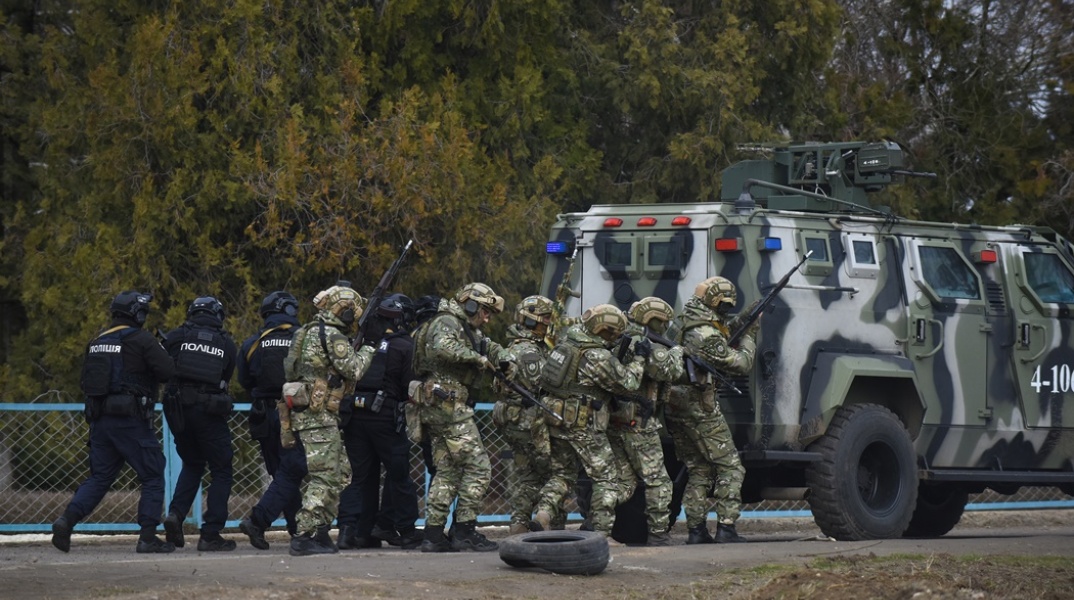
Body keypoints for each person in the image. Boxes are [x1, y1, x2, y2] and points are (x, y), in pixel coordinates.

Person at [51, 291, 176, 554]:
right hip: (130, 421)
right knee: (153, 474)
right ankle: (147, 537)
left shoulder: (97, 341)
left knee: (100, 477)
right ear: (138, 314)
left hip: (100, 421)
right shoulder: (142, 340)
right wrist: (164, 351)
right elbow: (167, 372)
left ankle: (66, 521)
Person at [411, 283, 512, 552]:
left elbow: (491, 347)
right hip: (448, 406)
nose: (487, 318)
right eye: (485, 311)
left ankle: (433, 534)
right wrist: (478, 359)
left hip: (444, 406)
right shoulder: (446, 321)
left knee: (448, 472)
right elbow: (442, 348)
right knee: (479, 468)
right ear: (470, 304)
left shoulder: (468, 329)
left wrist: (505, 360)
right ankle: (465, 531)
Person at [533, 304, 647, 540]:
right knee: (606, 478)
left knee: (562, 475)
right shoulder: (596, 355)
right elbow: (628, 383)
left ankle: (542, 514)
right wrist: (639, 358)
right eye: (614, 332)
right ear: (604, 329)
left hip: (555, 419)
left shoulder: (565, 346)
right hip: (584, 425)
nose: (615, 337)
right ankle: (601, 534)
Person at [284, 284, 376, 556]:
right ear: (346, 312)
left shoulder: (306, 331)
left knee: (341, 473)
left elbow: (291, 368)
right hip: (320, 416)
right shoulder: (332, 335)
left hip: (311, 414)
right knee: (325, 477)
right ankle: (303, 535)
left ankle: (321, 531)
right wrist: (369, 348)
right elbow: (355, 369)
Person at [665, 276, 758, 544]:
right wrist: (751, 335)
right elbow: (741, 364)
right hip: (699, 407)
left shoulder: (684, 322)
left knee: (699, 469)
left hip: (675, 406)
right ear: (719, 303)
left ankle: (696, 531)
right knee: (731, 468)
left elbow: (724, 333)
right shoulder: (707, 335)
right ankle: (727, 527)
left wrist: (744, 319)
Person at [337, 293, 422, 550]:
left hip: (354, 415)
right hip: (385, 416)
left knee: (361, 477)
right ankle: (406, 530)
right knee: (399, 475)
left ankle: (353, 532)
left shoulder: (362, 344)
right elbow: (410, 386)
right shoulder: (405, 346)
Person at [161, 296, 239, 552]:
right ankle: (211, 533)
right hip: (209, 412)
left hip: (178, 412)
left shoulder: (175, 336)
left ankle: (175, 514)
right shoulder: (226, 343)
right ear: (218, 315)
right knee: (221, 469)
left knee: (193, 464)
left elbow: (162, 367)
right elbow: (226, 376)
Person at [606, 297, 685, 546]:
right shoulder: (645, 345)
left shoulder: (615, 340)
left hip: (613, 421)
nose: (664, 327)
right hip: (639, 424)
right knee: (659, 481)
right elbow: (668, 371)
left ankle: (597, 526)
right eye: (662, 322)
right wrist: (677, 351)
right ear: (652, 320)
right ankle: (659, 534)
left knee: (623, 482)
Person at [236, 291, 305, 549]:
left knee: (282, 472)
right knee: (294, 469)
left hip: (263, 414)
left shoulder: (253, 342)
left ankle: (297, 528)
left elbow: (244, 380)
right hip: (293, 411)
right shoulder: (301, 338)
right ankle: (259, 520)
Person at [492, 295, 558, 535]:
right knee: (555, 472)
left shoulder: (511, 347)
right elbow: (543, 384)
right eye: (546, 319)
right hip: (529, 421)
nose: (549, 324)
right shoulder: (528, 352)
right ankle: (548, 522)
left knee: (528, 476)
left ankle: (518, 524)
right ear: (532, 321)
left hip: (514, 420)